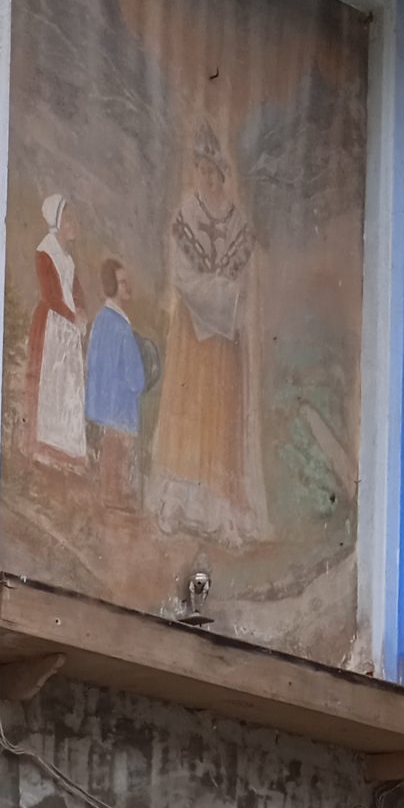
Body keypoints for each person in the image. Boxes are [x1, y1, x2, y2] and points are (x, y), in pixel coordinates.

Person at [151, 124, 269, 544]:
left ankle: (222, 515)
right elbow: (182, 276)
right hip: (193, 332)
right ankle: (177, 504)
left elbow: (245, 282)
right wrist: (216, 295)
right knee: (187, 410)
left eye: (213, 171)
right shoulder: (186, 214)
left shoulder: (238, 223)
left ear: (222, 173)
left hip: (225, 338)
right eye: (201, 170)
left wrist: (225, 300)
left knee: (221, 419)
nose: (208, 178)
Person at [26, 193, 87, 466]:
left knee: (67, 390)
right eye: (69, 219)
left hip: (67, 329)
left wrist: (81, 310)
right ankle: (43, 449)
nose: (74, 224)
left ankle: (65, 452)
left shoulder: (67, 258)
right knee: (50, 387)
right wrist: (72, 316)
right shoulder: (46, 252)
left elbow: (75, 289)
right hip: (51, 325)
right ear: (58, 221)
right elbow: (51, 295)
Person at [84, 257, 146, 506]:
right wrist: (138, 384)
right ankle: (114, 495)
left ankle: (112, 492)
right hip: (120, 402)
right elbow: (133, 372)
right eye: (122, 283)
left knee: (111, 449)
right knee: (119, 450)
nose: (127, 287)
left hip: (104, 400)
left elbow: (91, 361)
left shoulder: (100, 319)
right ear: (112, 286)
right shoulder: (120, 326)